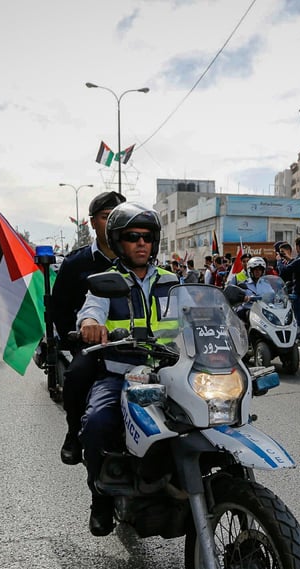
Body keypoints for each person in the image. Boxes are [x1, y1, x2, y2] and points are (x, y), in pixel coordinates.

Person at [75, 202, 179, 536]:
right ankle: (100, 499)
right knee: (96, 423)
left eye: (147, 237)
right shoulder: (107, 281)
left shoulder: (171, 280)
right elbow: (91, 309)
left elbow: (195, 313)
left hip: (171, 371)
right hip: (121, 372)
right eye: (132, 236)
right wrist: (91, 323)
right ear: (119, 241)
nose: (141, 243)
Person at [54, 191, 127, 463]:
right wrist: (74, 340)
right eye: (106, 217)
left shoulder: (137, 259)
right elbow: (60, 307)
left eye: (118, 217)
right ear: (92, 222)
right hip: (91, 344)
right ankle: (74, 433)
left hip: (136, 344)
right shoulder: (76, 263)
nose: (112, 224)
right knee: (77, 375)